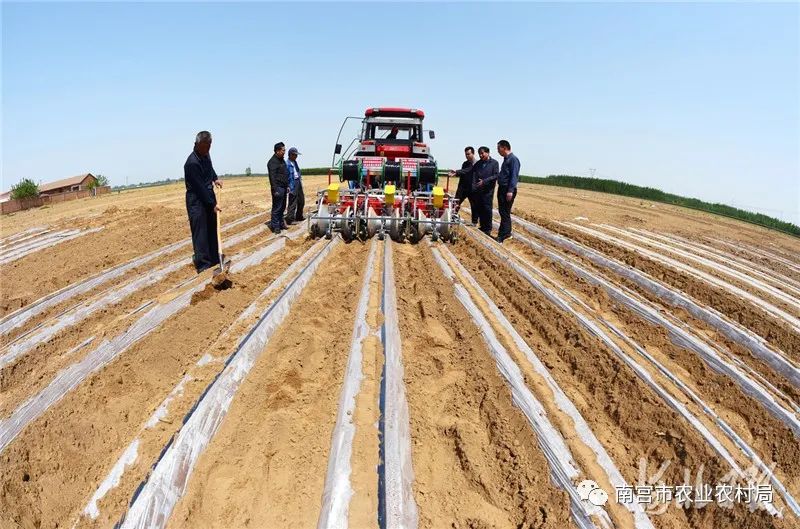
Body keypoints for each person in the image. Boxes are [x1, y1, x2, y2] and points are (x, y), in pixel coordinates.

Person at [183, 131, 222, 273]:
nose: (207, 150)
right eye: (204, 147)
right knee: (200, 233)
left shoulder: (206, 155)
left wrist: (215, 178)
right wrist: (213, 204)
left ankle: (214, 259)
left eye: (209, 147)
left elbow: (210, 169)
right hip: (197, 200)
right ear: (196, 144)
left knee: (212, 229)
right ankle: (203, 265)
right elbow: (200, 189)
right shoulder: (191, 163)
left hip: (208, 196)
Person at [471, 146, 500, 235]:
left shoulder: (494, 163)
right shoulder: (478, 164)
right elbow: (474, 175)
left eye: (482, 153)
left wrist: (484, 181)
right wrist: (474, 187)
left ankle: (488, 229)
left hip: (488, 190)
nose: (481, 155)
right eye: (480, 153)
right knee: (480, 208)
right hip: (478, 190)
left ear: (488, 153)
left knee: (487, 209)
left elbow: (495, 175)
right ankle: (482, 226)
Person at [496, 139, 521, 242]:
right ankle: (505, 233)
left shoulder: (513, 159)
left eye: (498, 148)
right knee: (503, 212)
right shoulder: (506, 159)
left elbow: (514, 176)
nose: (498, 151)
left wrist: (510, 190)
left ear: (504, 148)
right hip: (502, 188)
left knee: (505, 212)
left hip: (507, 190)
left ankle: (504, 234)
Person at [450, 146, 478, 225]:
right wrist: (456, 174)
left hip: (472, 188)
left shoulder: (476, 163)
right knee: (456, 203)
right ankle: (452, 218)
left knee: (474, 205)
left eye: (468, 154)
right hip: (463, 187)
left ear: (473, 153)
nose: (467, 156)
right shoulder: (465, 163)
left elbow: (468, 170)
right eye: (466, 154)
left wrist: (456, 171)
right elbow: (463, 173)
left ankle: (474, 222)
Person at [267, 142, 289, 234]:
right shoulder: (272, 162)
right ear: (277, 151)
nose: (284, 152)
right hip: (278, 188)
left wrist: (287, 185)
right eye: (283, 150)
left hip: (283, 187)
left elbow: (284, 174)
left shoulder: (282, 160)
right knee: (277, 208)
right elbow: (272, 178)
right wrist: (275, 190)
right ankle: (275, 226)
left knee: (283, 207)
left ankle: (281, 223)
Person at [285, 147, 305, 223]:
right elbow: (286, 176)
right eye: (295, 155)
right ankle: (290, 219)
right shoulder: (287, 164)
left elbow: (297, 172)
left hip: (298, 182)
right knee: (293, 201)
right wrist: (288, 186)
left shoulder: (295, 162)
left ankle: (299, 216)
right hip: (292, 183)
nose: (296, 156)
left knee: (301, 200)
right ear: (290, 155)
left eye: (296, 155)